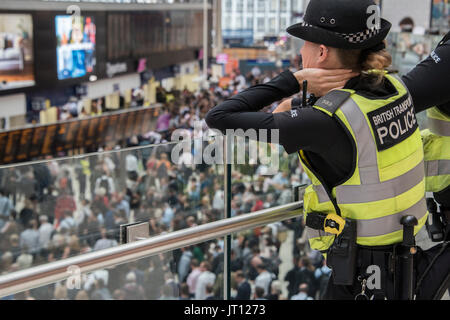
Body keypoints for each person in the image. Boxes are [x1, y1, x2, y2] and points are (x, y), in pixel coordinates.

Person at [206, 0, 427, 300]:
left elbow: (219, 117)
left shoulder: (326, 121)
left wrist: (292, 81)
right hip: (409, 252)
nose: (300, 53)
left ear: (321, 52)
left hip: (362, 274)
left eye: (304, 45)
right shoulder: (394, 87)